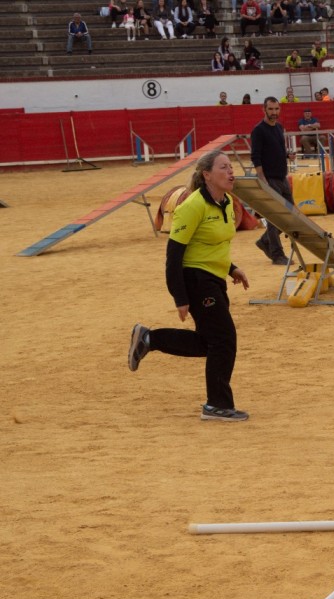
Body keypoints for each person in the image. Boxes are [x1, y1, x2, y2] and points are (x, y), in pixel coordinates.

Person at [126, 150, 252, 422]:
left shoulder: (228, 202)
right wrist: (179, 297)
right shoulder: (191, 206)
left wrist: (232, 268)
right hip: (196, 280)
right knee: (224, 339)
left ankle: (149, 339)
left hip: (215, 279)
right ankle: (217, 405)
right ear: (207, 174)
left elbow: (213, 243)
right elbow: (174, 256)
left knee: (209, 343)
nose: (231, 172)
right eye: (224, 167)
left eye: (231, 167)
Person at [251, 97, 295, 265]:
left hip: (282, 177)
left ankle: (265, 241)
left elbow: (276, 149)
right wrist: (263, 181)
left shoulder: (278, 127)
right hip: (269, 179)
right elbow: (256, 157)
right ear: (264, 109)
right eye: (271, 109)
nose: (274, 112)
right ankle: (277, 254)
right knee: (274, 216)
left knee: (289, 216)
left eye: (276, 109)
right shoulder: (258, 130)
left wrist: (287, 156)